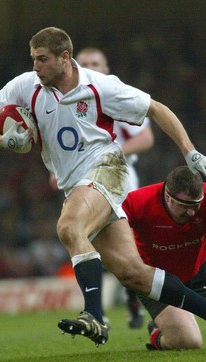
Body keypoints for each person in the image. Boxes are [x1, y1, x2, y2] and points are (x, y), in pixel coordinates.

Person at [0, 27, 206, 350]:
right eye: (33, 59)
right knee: (134, 274)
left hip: (107, 168)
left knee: (69, 227)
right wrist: (0, 139)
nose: (35, 67)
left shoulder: (100, 87)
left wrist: (189, 151)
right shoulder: (26, 85)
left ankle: (94, 316)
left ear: (64, 58)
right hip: (75, 182)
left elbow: (156, 109)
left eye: (42, 60)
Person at [123, 140, 206, 350]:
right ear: (168, 197)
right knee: (189, 342)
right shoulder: (139, 202)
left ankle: (170, 321)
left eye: (196, 205)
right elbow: (114, 225)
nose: (192, 212)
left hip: (196, 268)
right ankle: (156, 333)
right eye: (185, 206)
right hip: (156, 280)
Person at [74, 46, 154, 329]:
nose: (90, 66)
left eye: (96, 62)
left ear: (106, 69)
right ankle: (108, 305)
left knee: (127, 242)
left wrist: (113, 153)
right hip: (81, 180)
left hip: (118, 177)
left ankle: (137, 298)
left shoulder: (112, 94)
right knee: (91, 240)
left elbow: (145, 137)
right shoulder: (69, 99)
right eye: (84, 63)